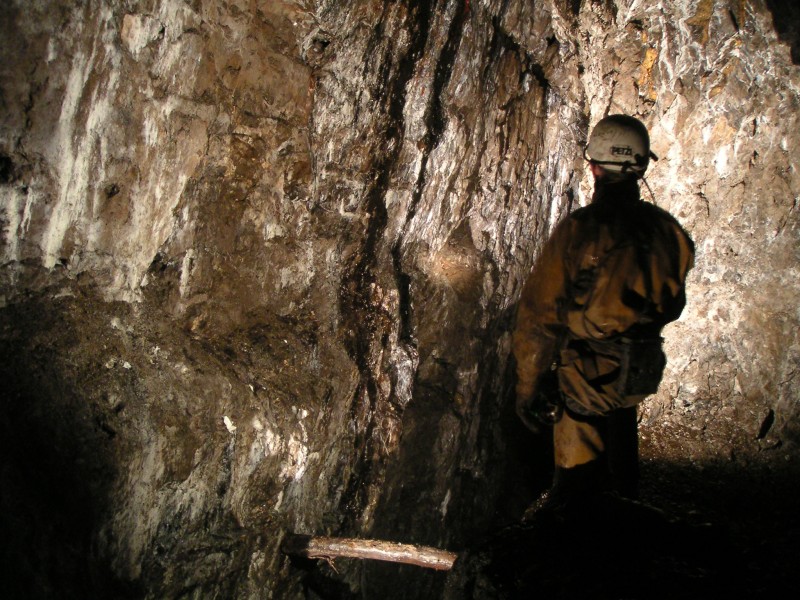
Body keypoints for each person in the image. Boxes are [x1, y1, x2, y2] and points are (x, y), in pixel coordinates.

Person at [512, 114, 694, 507]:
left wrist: (527, 385)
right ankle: (626, 519)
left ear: (593, 166)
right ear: (642, 166)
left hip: (588, 372)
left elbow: (539, 317)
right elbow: (674, 304)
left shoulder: (581, 229)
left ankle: (582, 545)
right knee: (623, 454)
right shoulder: (669, 231)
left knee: (578, 488)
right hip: (642, 366)